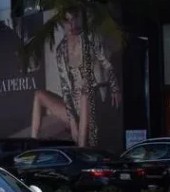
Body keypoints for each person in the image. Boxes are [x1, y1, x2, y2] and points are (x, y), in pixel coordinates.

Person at [29, 10, 120, 148]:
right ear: (62, 23)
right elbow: (65, 87)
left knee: (85, 92)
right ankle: (32, 145)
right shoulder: (61, 50)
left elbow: (107, 63)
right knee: (39, 95)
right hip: (72, 107)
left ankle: (81, 149)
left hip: (92, 101)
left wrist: (115, 87)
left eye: (74, 19)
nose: (71, 24)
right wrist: (72, 121)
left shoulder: (89, 40)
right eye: (67, 21)